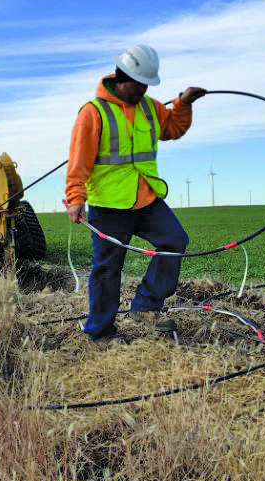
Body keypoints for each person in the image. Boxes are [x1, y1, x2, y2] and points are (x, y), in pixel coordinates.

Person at [65, 44, 207, 345]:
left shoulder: (150, 107)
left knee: (174, 241)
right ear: (121, 77)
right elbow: (79, 160)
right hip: (109, 205)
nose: (143, 89)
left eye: (147, 84)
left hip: (147, 198)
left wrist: (183, 104)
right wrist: (76, 198)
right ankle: (100, 332)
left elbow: (173, 129)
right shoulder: (93, 112)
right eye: (139, 83)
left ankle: (145, 305)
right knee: (107, 268)